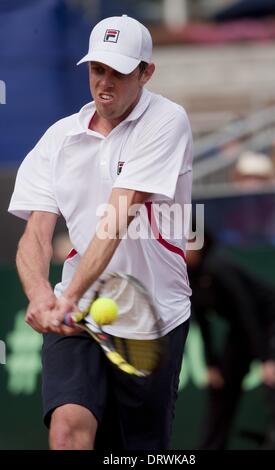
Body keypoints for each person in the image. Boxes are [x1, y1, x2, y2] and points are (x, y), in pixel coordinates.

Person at [8, 15, 193, 450]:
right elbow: (36, 234)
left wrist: (66, 301)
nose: (104, 83)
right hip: (80, 317)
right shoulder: (57, 139)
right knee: (67, 429)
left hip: (154, 316)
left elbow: (118, 215)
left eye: (119, 72)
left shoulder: (167, 121)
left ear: (146, 73)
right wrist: (41, 296)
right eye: (97, 70)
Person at [187, 231, 275, 450]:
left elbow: (247, 309)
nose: (181, 249)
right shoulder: (190, 276)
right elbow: (202, 321)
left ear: (199, 243)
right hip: (242, 327)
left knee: (273, 379)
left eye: (186, 242)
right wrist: (212, 364)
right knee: (222, 387)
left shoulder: (220, 267)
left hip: (270, 318)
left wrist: (266, 359)